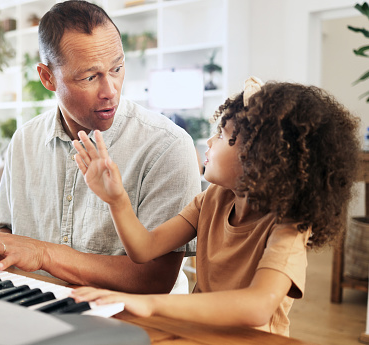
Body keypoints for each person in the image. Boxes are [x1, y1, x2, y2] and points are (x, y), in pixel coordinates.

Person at [0, 0, 201, 294]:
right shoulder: (25, 140)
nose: (110, 91)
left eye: (117, 69)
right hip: (34, 302)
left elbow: (155, 279)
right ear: (47, 78)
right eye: (90, 76)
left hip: (132, 320)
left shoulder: (167, 145)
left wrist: (46, 254)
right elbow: (13, 238)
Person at [70, 77, 360, 336]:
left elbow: (257, 306)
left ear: (260, 156)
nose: (209, 141)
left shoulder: (288, 227)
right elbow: (144, 249)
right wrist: (116, 199)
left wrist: (150, 304)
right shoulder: (212, 199)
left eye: (222, 135)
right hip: (198, 334)